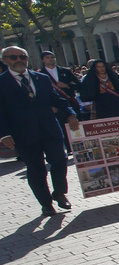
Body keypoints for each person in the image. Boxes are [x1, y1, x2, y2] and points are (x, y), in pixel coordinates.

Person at [0, 46, 78, 216]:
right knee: (37, 169)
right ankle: (46, 204)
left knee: (60, 161)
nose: (18, 60)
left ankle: (59, 192)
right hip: (23, 134)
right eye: (13, 57)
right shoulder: (2, 82)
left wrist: (70, 115)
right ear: (5, 60)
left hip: (50, 129)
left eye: (22, 56)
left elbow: (57, 99)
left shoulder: (41, 78)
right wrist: (4, 134)